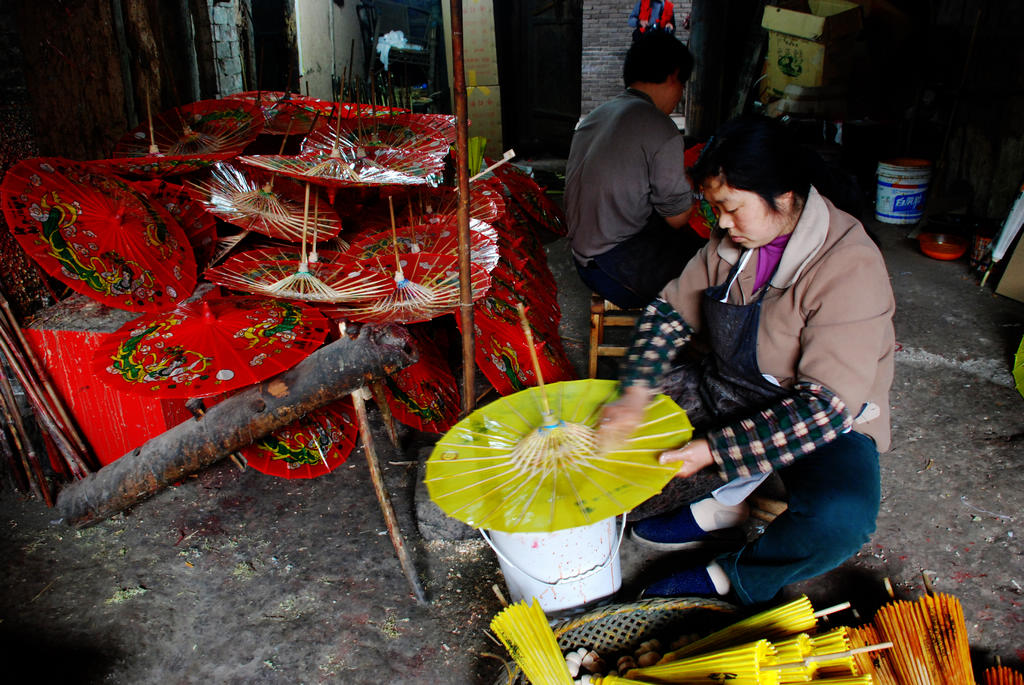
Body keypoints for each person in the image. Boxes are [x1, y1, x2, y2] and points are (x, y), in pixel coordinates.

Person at [598, 115, 895, 605]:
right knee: (617, 463)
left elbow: (825, 408)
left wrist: (713, 451)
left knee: (840, 520)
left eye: (731, 208)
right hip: (731, 388)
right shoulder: (732, 243)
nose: (722, 224)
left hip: (819, 420)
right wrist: (634, 393)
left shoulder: (850, 265)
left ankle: (732, 575)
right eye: (716, 209)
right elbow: (668, 313)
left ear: (784, 195)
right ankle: (722, 506)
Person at [565, 31, 703, 309]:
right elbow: (678, 218)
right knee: (713, 259)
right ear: (674, 75)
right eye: (682, 85)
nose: (679, 96)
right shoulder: (660, 127)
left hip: (581, 258)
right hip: (613, 271)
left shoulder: (598, 114)